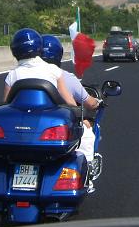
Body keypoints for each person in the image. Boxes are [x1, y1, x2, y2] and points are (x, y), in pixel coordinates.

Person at [40, 34, 100, 188]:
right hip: (55, 127)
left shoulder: (19, 75)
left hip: (28, 127)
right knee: (86, 134)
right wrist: (88, 112)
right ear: (58, 54)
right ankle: (87, 176)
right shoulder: (63, 76)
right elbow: (76, 107)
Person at [3, 28, 77, 108]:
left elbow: (6, 106)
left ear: (14, 51)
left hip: (21, 118)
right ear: (40, 47)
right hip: (50, 118)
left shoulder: (12, 75)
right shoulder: (54, 70)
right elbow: (69, 102)